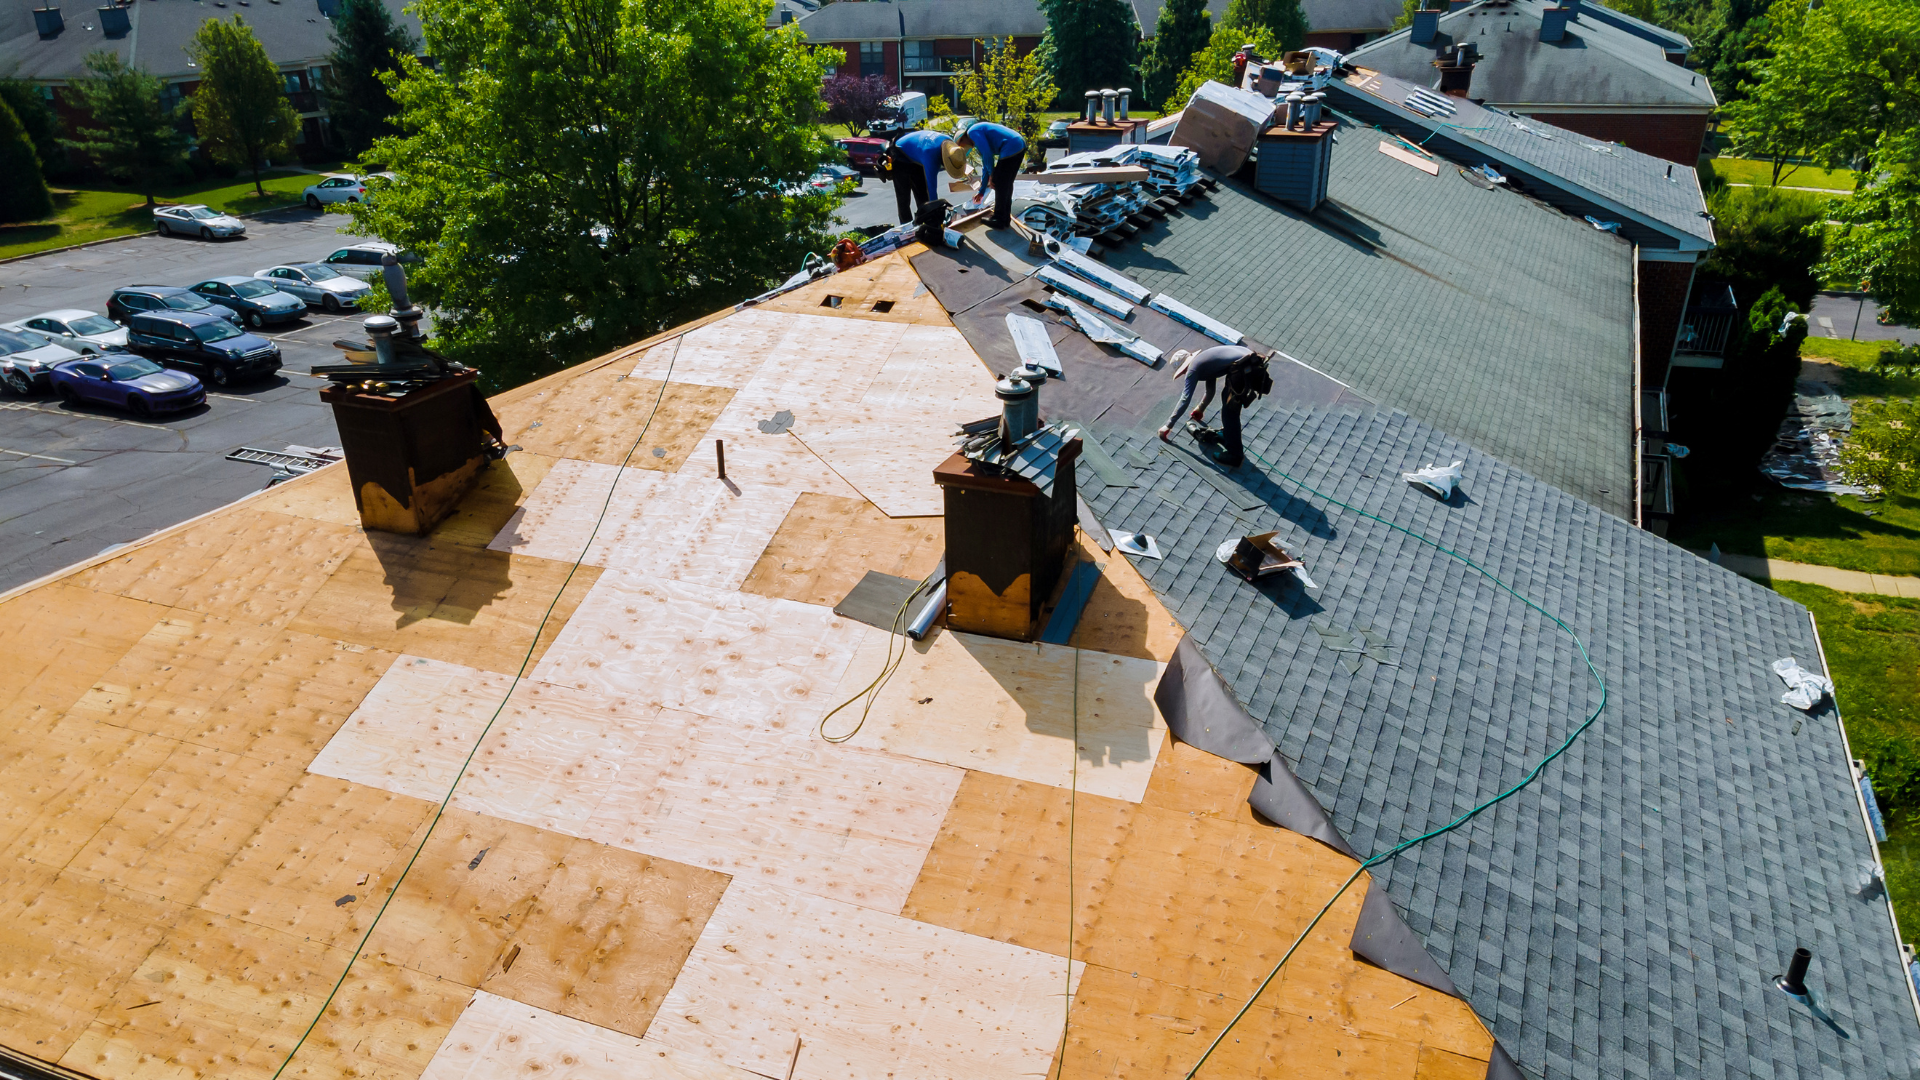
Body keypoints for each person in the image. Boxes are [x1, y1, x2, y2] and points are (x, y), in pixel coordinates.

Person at [1158, 345, 1269, 468]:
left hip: (1245, 367)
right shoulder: (1203, 362)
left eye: (1183, 371)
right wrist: (1201, 408)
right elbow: (1210, 390)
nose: (1185, 373)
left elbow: (1185, 398)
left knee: (1230, 410)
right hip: (1250, 363)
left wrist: (1168, 425)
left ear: (1184, 367)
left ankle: (1234, 455)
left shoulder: (1193, 369)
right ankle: (1227, 434)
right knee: (1226, 399)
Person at [951, 120, 1027, 229]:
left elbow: (987, 155)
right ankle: (1005, 219)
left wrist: (992, 175)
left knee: (998, 181)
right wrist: (981, 192)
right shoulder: (977, 139)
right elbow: (986, 166)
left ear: (963, 139)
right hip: (1018, 144)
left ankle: (999, 219)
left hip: (1011, 145)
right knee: (1006, 183)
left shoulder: (972, 132)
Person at [890, 128, 953, 225]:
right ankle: (906, 227)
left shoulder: (949, 143)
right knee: (904, 199)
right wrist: (936, 216)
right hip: (899, 154)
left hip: (916, 155)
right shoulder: (930, 156)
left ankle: (925, 222)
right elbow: (932, 190)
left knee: (922, 195)